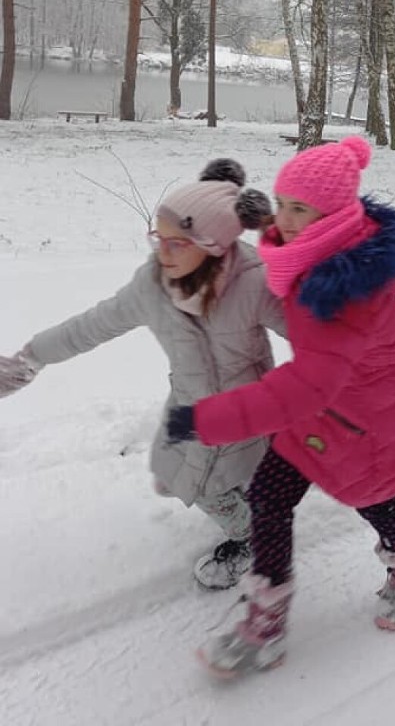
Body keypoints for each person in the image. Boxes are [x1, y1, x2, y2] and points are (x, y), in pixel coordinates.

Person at [165, 136, 395, 677]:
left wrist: (206, 419)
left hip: (366, 423)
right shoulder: (315, 252)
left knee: (373, 499)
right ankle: (265, 615)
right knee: (269, 494)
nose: (282, 219)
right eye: (282, 204)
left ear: (332, 215)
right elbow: (308, 362)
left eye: (297, 209)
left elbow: (302, 386)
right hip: (325, 412)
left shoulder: (346, 292)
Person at [0, 160, 288, 590]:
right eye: (160, 237)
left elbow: (314, 334)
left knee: (205, 484)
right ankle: (250, 507)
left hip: (244, 409)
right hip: (189, 403)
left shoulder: (252, 284)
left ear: (212, 245)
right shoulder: (153, 285)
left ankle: (253, 538)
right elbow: (91, 325)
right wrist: (30, 358)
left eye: (177, 242)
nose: (163, 251)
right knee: (173, 471)